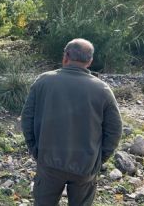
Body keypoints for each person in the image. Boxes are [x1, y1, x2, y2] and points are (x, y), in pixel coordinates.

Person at [21, 38, 122, 206]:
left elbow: (27, 120)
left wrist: (36, 150)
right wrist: (98, 159)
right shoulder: (102, 89)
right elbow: (114, 131)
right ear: (90, 61)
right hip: (85, 167)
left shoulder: (43, 82)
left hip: (49, 163)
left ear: (66, 56)